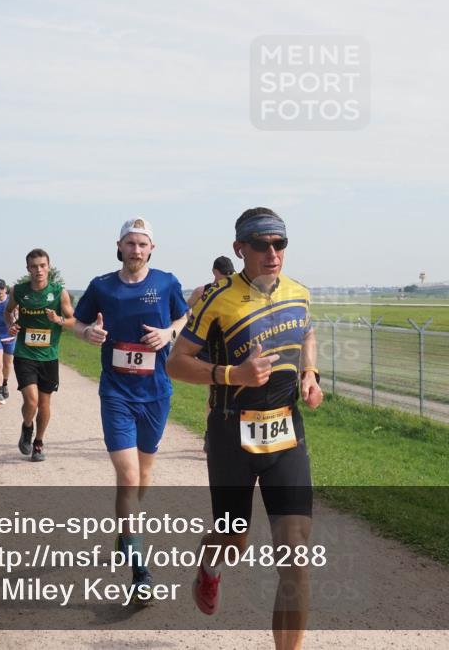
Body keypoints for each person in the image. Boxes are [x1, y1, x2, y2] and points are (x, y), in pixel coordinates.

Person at [166, 207, 323, 650]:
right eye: (262, 245)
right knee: (233, 538)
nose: (273, 253)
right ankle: (211, 563)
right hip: (232, 433)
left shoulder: (299, 292)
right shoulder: (218, 299)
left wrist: (311, 374)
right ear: (240, 249)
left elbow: (307, 333)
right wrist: (233, 375)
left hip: (286, 432)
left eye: (280, 244)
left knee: (294, 555)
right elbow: (177, 362)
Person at [72, 217, 188, 602]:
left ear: (151, 248)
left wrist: (169, 333)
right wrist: (87, 333)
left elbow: (183, 317)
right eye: (130, 243)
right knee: (128, 476)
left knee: (143, 477)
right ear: (119, 246)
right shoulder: (101, 286)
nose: (136, 250)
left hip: (156, 392)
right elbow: (78, 321)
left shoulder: (167, 283)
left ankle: (126, 530)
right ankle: (140, 570)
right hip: (117, 393)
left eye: (143, 244)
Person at [6, 249, 75, 462]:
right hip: (25, 353)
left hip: (49, 356)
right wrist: (12, 325)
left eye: (42, 265)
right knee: (32, 400)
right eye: (34, 266)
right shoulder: (18, 291)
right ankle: (27, 427)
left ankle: (38, 442)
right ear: (28, 269)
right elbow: (8, 312)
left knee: (44, 404)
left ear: (49, 266)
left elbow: (73, 320)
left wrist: (59, 321)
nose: (39, 270)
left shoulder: (59, 292)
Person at [186, 256, 236, 452]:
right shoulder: (204, 291)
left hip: (226, 346)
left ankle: (220, 433)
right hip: (212, 348)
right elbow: (185, 309)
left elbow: (185, 310)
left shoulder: (228, 289)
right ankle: (212, 434)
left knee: (222, 392)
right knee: (215, 392)